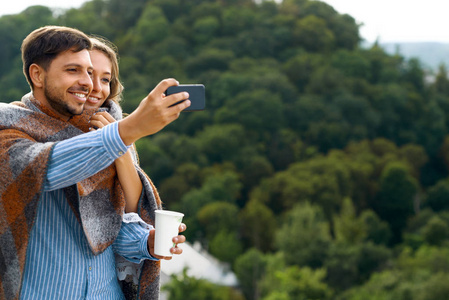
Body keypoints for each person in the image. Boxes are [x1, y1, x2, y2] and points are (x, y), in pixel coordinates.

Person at [0, 26, 190, 300]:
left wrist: (145, 242)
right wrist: (129, 129)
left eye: (90, 73)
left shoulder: (99, 134)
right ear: (37, 75)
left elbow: (104, 228)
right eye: (73, 70)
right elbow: (46, 167)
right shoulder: (9, 131)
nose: (88, 83)